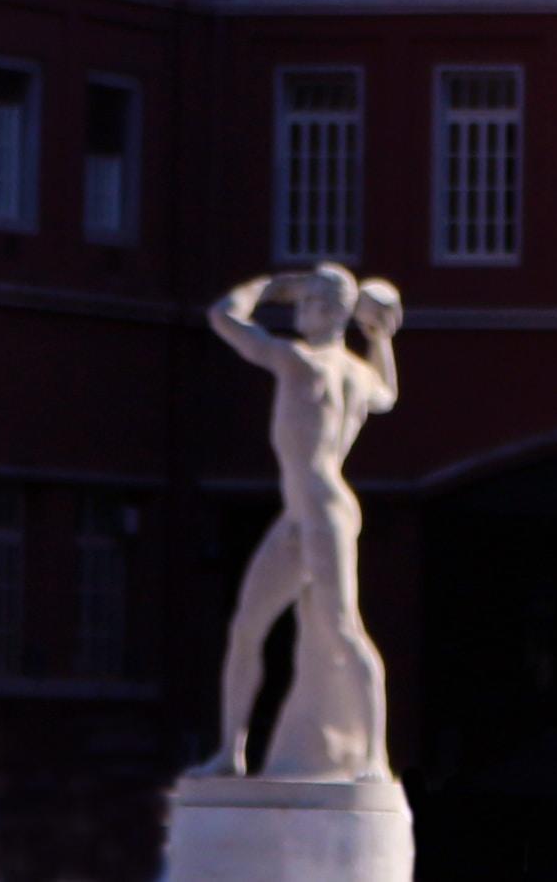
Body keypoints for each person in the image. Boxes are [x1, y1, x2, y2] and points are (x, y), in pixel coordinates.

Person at [208, 265, 403, 775]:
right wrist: (381, 338)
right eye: (303, 298)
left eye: (313, 299)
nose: (301, 307)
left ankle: (375, 757)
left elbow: (223, 317)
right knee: (247, 627)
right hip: (302, 512)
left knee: (343, 628)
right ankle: (230, 752)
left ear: (334, 310)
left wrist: (268, 286)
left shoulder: (300, 362)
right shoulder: (359, 372)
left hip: (323, 510)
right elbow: (387, 393)